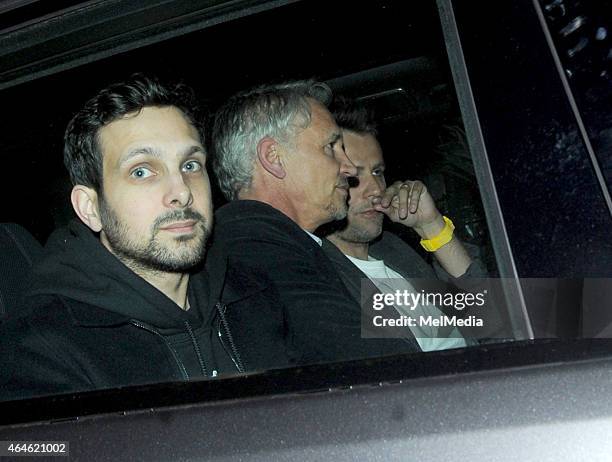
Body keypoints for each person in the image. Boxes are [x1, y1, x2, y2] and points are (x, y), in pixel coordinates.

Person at [0, 75, 288, 401]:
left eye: (190, 164)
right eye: (141, 171)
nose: (181, 192)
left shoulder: (252, 295)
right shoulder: (42, 353)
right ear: (90, 208)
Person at [210, 80, 419, 365]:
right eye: (330, 147)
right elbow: (382, 368)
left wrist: (436, 232)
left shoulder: (389, 252)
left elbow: (485, 315)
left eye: (379, 171)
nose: (349, 169)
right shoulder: (255, 249)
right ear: (274, 157)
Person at [321, 97, 498, 350]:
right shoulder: (325, 278)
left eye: (377, 172)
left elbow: (489, 319)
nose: (375, 190)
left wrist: (431, 226)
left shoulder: (393, 251)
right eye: (354, 176)